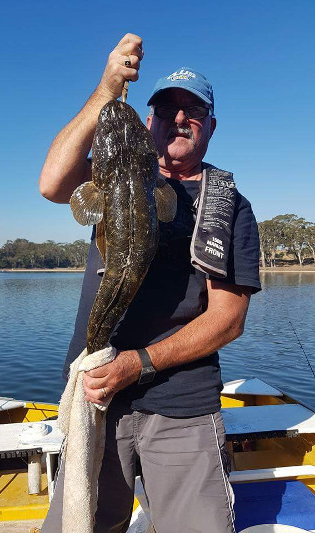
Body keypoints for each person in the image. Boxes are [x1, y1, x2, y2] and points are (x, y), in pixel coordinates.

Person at [39, 33, 261, 533]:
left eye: (193, 110)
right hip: (98, 394)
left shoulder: (231, 206)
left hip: (182, 404)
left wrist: (136, 364)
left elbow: (227, 320)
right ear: (148, 123)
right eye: (165, 110)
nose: (178, 118)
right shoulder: (117, 177)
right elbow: (53, 183)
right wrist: (107, 86)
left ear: (212, 126)